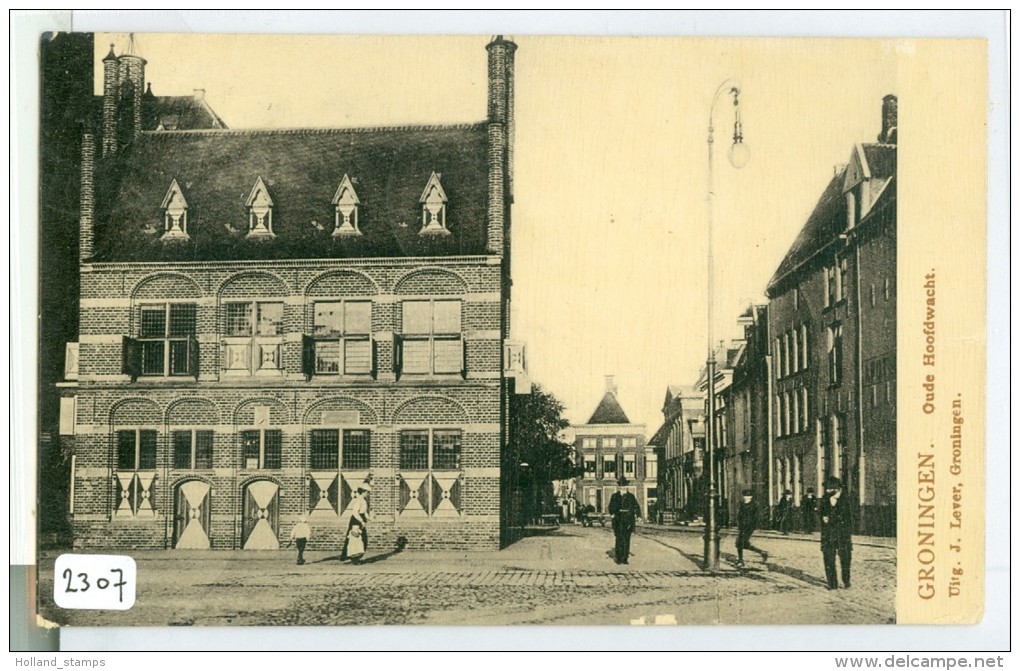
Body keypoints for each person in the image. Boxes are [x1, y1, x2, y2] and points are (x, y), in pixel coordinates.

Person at [819, 476, 853, 589]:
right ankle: (832, 584)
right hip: (828, 535)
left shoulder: (847, 500)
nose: (827, 491)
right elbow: (820, 512)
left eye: (829, 489)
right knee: (828, 559)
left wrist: (833, 519)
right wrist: (822, 518)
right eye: (826, 489)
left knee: (845, 559)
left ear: (836, 489)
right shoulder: (824, 499)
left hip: (843, 535)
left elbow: (851, 518)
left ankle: (846, 580)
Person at [608, 478, 641, 565]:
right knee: (619, 538)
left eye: (625, 486)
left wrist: (639, 516)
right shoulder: (615, 496)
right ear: (619, 487)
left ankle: (625, 558)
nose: (623, 488)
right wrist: (612, 513)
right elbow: (611, 506)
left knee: (627, 539)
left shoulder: (631, 496)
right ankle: (618, 558)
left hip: (628, 520)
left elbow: (636, 506)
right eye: (622, 486)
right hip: (618, 519)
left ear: (627, 487)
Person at [735, 489, 768, 567]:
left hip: (749, 527)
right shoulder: (742, 505)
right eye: (746, 496)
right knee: (743, 544)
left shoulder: (754, 505)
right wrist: (739, 524)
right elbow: (739, 516)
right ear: (743, 497)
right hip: (742, 526)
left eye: (749, 496)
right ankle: (762, 552)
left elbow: (756, 517)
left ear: (751, 497)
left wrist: (752, 526)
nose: (747, 498)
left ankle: (740, 560)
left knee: (740, 543)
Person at [340, 482, 371, 564]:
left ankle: (356, 557)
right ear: (363, 492)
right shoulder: (359, 500)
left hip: (360, 520)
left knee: (362, 539)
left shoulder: (363, 500)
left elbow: (363, 511)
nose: (368, 494)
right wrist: (361, 521)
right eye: (367, 492)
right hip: (356, 521)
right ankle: (355, 558)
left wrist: (368, 518)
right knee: (356, 539)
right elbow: (355, 512)